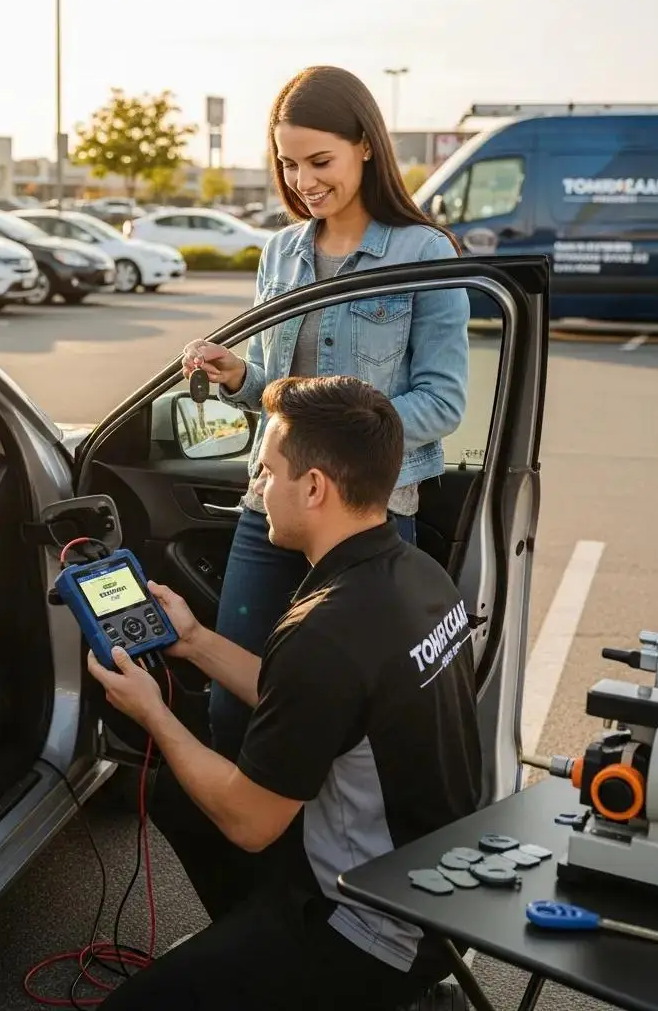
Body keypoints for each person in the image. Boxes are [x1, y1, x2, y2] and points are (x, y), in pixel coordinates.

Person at [87, 375, 482, 1011]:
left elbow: (248, 823)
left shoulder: (325, 631)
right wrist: (194, 643)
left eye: (266, 471)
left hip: (372, 928)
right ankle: (254, 952)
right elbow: (321, 698)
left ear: (316, 487)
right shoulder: (418, 575)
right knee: (176, 798)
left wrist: (152, 712)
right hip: (436, 888)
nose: (257, 487)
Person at [181, 65, 471, 761]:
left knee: (336, 715)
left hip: (365, 517)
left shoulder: (422, 252)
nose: (303, 180)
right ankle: (260, 854)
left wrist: (336, 452)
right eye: (288, 163)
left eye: (320, 161)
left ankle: (324, 858)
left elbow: (443, 399)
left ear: (366, 146)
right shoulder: (280, 252)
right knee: (233, 705)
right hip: (271, 505)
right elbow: (283, 393)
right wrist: (239, 376)